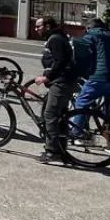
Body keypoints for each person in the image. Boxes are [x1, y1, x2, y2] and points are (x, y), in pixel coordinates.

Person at [72, 18, 110, 135]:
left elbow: (81, 52)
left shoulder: (92, 35)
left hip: (100, 77)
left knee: (82, 101)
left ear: (89, 28)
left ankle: (76, 133)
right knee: (108, 108)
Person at [34, 15, 74, 164]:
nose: (36, 29)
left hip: (61, 83)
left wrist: (47, 77)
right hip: (64, 81)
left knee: (50, 114)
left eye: (39, 26)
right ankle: (61, 149)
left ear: (47, 26)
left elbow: (60, 61)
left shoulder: (55, 39)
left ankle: (51, 152)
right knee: (60, 116)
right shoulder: (58, 37)